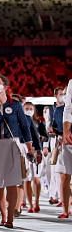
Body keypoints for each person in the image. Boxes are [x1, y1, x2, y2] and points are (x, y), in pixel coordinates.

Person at [0, 74, 34, 228]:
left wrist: (30, 148)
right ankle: (3, 215)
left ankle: (10, 217)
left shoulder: (15, 105)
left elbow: (25, 127)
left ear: (5, 87)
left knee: (12, 182)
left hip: (12, 144)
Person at [49, 86, 70, 218]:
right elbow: (55, 126)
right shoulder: (59, 110)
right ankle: (65, 209)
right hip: (64, 142)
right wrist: (55, 131)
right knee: (64, 177)